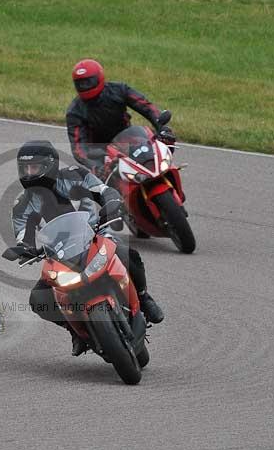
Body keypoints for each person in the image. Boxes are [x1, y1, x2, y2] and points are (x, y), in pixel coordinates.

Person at [11, 140, 164, 356]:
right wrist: (24, 248)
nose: (28, 173)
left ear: (49, 165)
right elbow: (22, 236)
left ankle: (144, 297)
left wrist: (111, 202)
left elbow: (103, 190)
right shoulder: (22, 203)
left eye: (33, 167)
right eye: (24, 168)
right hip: (59, 254)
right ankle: (76, 331)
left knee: (126, 252)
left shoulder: (75, 175)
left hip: (96, 236)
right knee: (38, 299)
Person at [66, 59, 176, 178]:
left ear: (100, 77)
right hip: (102, 154)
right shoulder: (74, 112)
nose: (85, 86)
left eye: (88, 82)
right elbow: (78, 148)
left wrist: (161, 126)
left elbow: (145, 105)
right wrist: (95, 166)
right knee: (100, 189)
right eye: (80, 83)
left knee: (159, 157)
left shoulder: (119, 90)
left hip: (129, 139)